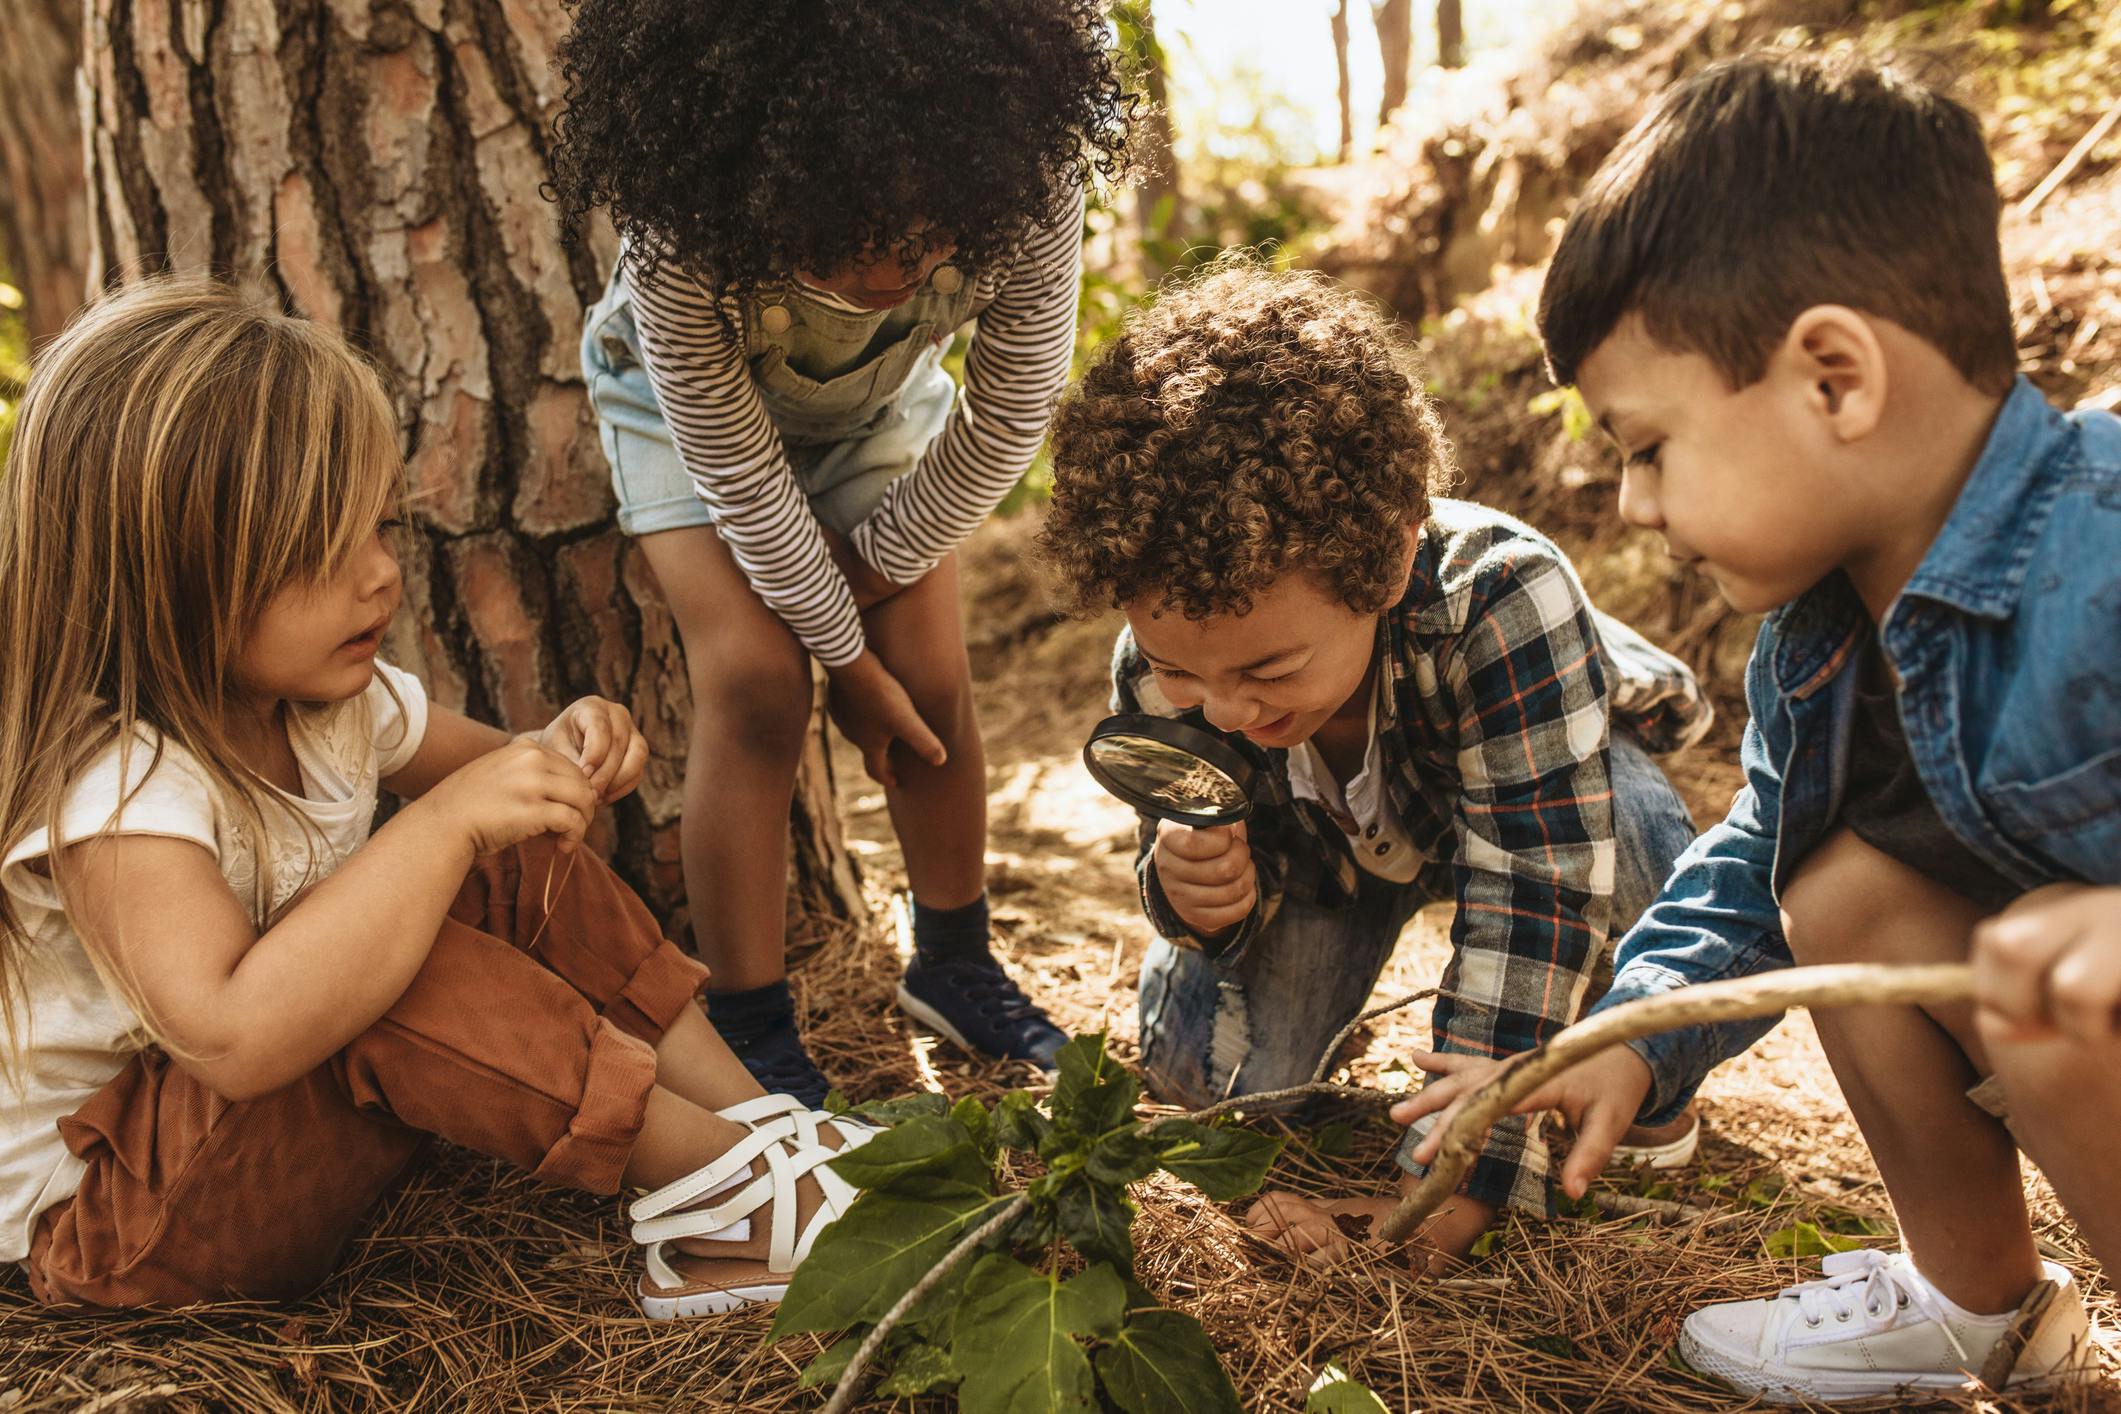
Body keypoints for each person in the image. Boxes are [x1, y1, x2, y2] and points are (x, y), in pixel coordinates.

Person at [1396, 53, 2114, 1402]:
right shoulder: (1816, 644)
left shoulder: (2104, 544)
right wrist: (1628, 1030)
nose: (1631, 503)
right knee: (1838, 889)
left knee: (2055, 975)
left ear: (1833, 378)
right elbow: (1743, 865)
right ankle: (1973, 1302)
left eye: (1649, 444)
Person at [0, 278, 871, 1318]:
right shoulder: (120, 791)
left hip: (240, 1150)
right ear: (168, 579)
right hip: (116, 1227)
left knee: (506, 850)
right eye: (324, 552)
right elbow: (235, 1037)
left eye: (378, 530)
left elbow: (506, 776)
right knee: (394, 955)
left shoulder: (327, 703)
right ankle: (730, 1197)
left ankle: (761, 1131)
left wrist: (565, 748)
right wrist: (451, 822)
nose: (380, 578)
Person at [1036, 261, 1714, 1267]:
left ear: (1391, 558)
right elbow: (1178, 850)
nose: (1225, 708)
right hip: (1324, 862)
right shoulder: (1164, 667)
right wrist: (1201, 901)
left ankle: (1633, 1067)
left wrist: (1454, 1180)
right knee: (1211, 1084)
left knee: (1641, 837)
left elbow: (1533, 886)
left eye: (1269, 667)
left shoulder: (1504, 599)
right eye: (1185, 670)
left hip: (1525, 795)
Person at [545, 0, 1137, 1103]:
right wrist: (841, 662)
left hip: (873, 415)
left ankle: (957, 964)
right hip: (684, 420)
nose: (892, 270)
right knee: (761, 681)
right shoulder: (686, 226)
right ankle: (752, 1021)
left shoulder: (1029, 177)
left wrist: (869, 582)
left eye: (924, 239)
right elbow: (738, 474)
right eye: (849, 235)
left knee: (932, 677)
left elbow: (1007, 418)